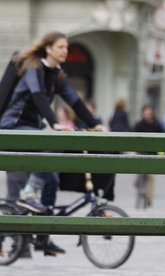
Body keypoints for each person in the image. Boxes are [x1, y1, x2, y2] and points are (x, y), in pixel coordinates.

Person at [0, 31, 105, 255]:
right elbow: (38, 96)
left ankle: (42, 239)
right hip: (13, 127)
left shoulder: (57, 74)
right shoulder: (33, 66)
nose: (65, 51)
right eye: (60, 47)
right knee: (50, 149)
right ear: (48, 48)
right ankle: (28, 196)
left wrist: (94, 123)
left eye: (66, 47)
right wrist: (55, 123)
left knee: (51, 179)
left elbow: (75, 101)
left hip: (32, 130)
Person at [133, 104, 163, 208]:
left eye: (149, 113)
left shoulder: (157, 125)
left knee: (150, 177)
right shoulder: (139, 125)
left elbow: (162, 139)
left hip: (152, 155)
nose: (147, 115)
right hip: (141, 154)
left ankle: (149, 198)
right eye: (145, 113)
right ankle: (138, 184)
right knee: (139, 175)